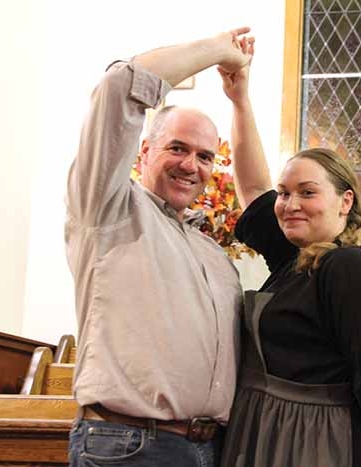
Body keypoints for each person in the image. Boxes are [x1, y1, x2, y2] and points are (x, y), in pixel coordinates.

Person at [217, 39, 361, 467]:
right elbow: (254, 190)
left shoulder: (348, 267)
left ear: (344, 202)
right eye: (285, 193)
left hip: (311, 441)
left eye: (307, 193)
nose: (290, 204)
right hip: (261, 426)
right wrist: (239, 100)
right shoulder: (296, 258)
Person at [65, 29, 253, 467]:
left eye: (205, 156)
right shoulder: (108, 207)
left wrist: (240, 100)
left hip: (209, 448)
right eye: (177, 148)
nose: (192, 165)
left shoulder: (212, 252)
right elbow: (118, 88)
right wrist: (218, 52)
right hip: (130, 444)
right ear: (144, 150)